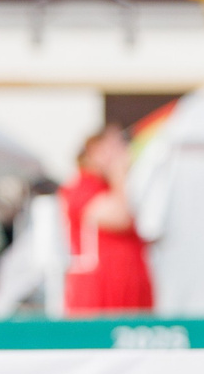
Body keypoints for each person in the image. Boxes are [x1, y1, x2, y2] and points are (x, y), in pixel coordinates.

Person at [59, 124, 153, 314]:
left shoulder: (111, 188)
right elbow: (120, 217)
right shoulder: (83, 186)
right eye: (116, 146)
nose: (124, 152)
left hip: (129, 294)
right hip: (99, 297)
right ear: (96, 151)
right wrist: (119, 174)